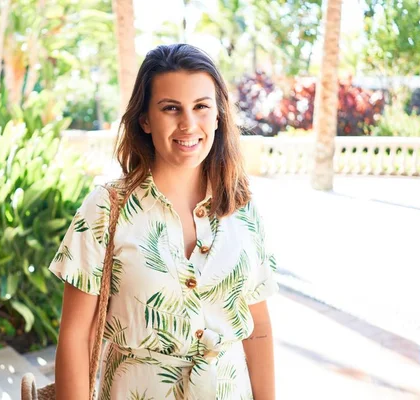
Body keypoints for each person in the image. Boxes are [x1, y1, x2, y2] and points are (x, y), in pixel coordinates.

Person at [49, 43, 278, 400]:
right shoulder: (106, 209)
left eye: (201, 107)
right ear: (145, 119)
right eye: (171, 108)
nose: (188, 124)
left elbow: (258, 329)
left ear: (218, 116)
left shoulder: (242, 209)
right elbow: (75, 338)